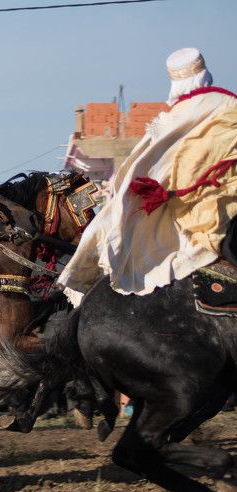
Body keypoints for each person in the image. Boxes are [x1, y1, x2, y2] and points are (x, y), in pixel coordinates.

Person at [59, 47, 237, 306]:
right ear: (205, 73)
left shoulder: (173, 118)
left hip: (189, 212)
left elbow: (146, 165)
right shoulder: (229, 105)